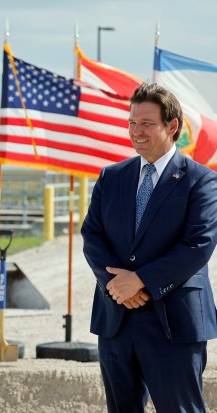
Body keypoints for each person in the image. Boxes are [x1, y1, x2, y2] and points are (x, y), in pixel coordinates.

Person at [81, 81, 217, 412]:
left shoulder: (200, 180)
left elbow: (198, 245)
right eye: (132, 122)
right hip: (117, 320)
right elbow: (92, 236)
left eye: (146, 123)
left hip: (174, 322)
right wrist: (117, 286)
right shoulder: (111, 177)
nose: (136, 131)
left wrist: (140, 280)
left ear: (172, 126)